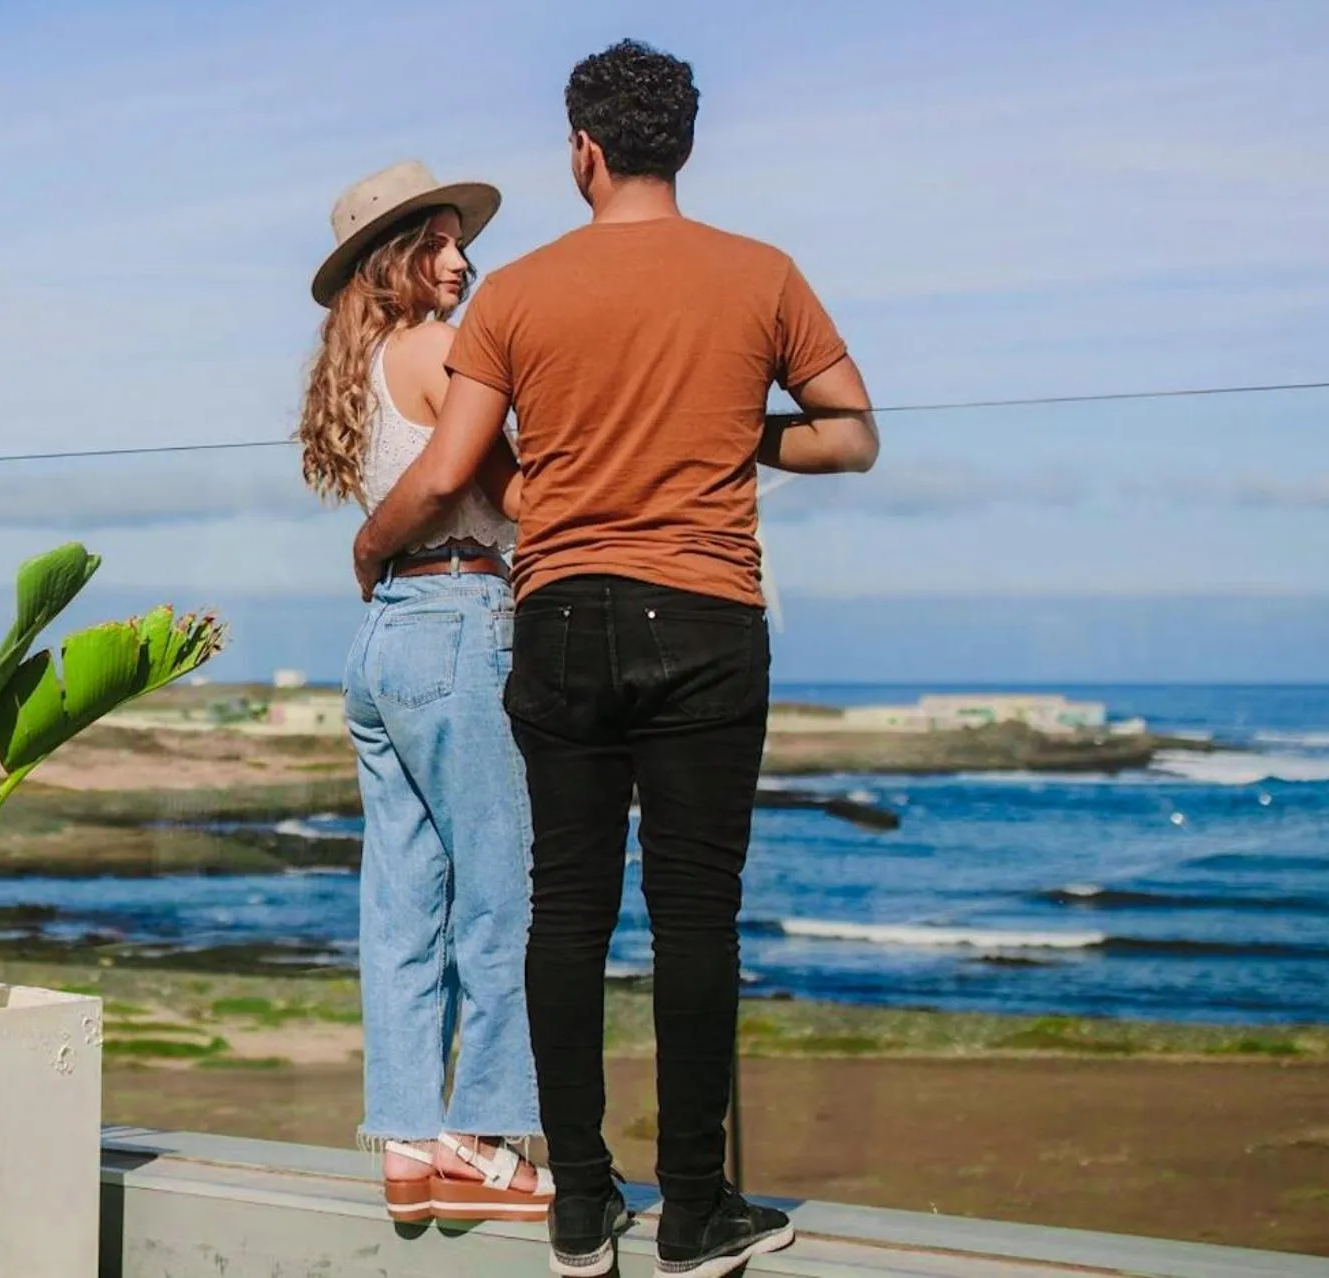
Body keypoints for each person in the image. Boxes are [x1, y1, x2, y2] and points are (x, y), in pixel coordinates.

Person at [348, 42, 879, 1278]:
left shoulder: (518, 294)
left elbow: (447, 470)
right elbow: (852, 437)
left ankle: (581, 1206)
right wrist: (734, 435)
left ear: (580, 150)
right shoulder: (764, 275)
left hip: (561, 619)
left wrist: (373, 548)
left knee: (565, 914)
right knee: (698, 920)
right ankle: (695, 1211)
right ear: (679, 144)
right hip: (703, 616)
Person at [296, 159, 551, 1225]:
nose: (462, 259)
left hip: (384, 640)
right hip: (457, 623)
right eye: (439, 242)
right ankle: (483, 1138)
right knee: (503, 894)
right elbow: (500, 492)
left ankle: (405, 1143)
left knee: (403, 901)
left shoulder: (347, 376)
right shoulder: (445, 351)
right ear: (391, 261)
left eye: (460, 241)